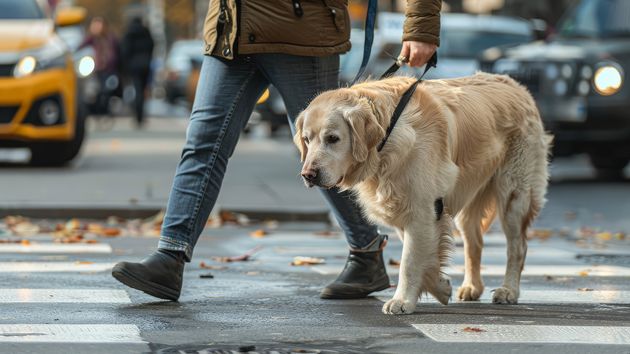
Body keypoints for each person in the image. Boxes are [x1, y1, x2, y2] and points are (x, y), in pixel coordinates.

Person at [112, 0, 442, 302]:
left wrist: (421, 27)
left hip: (301, 31)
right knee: (202, 143)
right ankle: (170, 257)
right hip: (231, 31)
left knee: (333, 152)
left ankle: (367, 251)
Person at [79, 17, 121, 116]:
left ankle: (105, 108)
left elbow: (117, 52)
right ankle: (98, 109)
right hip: (98, 68)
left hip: (110, 68)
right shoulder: (92, 38)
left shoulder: (111, 38)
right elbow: (82, 46)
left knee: (107, 89)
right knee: (97, 88)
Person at [121, 17, 154, 128]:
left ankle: (137, 116)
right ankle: (141, 115)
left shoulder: (129, 33)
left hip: (134, 66)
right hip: (145, 65)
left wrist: (126, 66)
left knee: (137, 90)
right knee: (142, 91)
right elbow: (151, 46)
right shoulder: (146, 32)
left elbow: (124, 51)